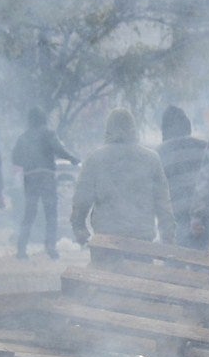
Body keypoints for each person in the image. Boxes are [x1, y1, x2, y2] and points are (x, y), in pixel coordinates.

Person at [71, 107, 165, 243]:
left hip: (106, 238)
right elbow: (162, 201)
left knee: (103, 266)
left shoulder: (95, 159)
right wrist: (168, 234)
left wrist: (79, 227)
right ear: (133, 129)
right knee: (140, 265)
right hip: (142, 239)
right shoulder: (151, 159)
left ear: (108, 129)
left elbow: (82, 199)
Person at [9, 107, 73, 258]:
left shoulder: (23, 137)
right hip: (46, 176)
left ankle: (21, 249)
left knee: (29, 213)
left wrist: (28, 163)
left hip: (30, 177)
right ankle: (51, 248)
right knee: (51, 213)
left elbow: (15, 158)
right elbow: (59, 149)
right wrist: (73, 158)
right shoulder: (48, 133)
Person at [157, 105, 209, 249]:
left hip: (175, 219)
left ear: (164, 129)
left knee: (174, 265)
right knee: (200, 264)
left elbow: (158, 193)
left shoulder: (160, 153)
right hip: (203, 218)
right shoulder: (204, 147)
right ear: (187, 125)